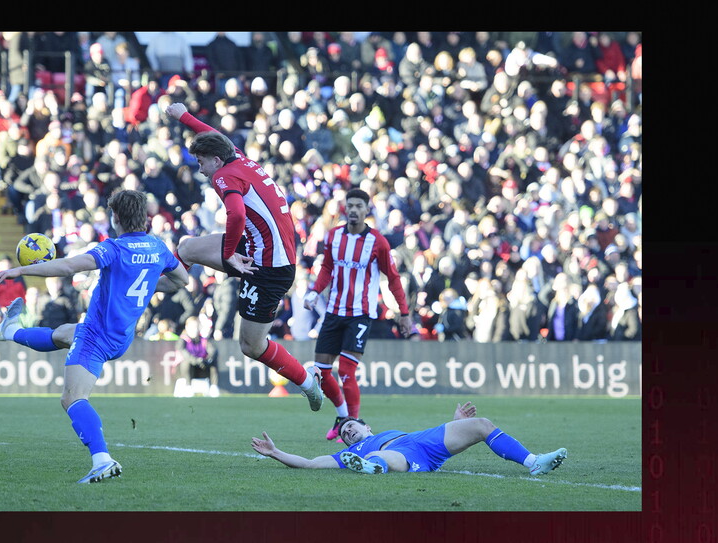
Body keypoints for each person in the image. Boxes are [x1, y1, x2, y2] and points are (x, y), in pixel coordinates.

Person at [0, 189, 190, 483]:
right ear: (144, 218)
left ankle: (102, 459)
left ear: (115, 218)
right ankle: (10, 330)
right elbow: (181, 280)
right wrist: (145, 289)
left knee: (72, 398)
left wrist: (20, 270)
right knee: (66, 333)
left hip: (97, 336)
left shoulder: (113, 249)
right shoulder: (158, 248)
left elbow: (69, 266)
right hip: (121, 336)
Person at [164, 101, 324, 412]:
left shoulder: (223, 176)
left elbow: (235, 214)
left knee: (251, 345)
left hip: (267, 267)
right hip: (260, 251)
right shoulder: (240, 160)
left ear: (215, 160)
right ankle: (161, 288)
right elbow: (215, 135)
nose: (199, 167)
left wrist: (229, 256)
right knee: (186, 248)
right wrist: (182, 117)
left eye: (200, 161)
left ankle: (306, 382)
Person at [302, 188, 413, 441]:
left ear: (366, 210)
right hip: (333, 312)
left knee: (347, 372)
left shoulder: (378, 242)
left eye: (358, 206)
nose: (353, 210)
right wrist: (314, 291)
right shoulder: (334, 236)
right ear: (345, 209)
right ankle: (342, 416)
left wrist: (405, 313)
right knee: (322, 372)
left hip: (360, 314)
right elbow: (327, 268)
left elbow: (393, 279)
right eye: (349, 205)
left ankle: (355, 424)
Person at [251, 401, 568, 477]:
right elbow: (308, 463)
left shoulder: (381, 432)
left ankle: (533, 462)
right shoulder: (354, 450)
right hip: (396, 452)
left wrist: (456, 425)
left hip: (420, 439)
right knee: (383, 458)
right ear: (346, 444)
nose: (349, 431)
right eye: (345, 434)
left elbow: (441, 434)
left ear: (367, 426)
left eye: (352, 428)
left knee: (481, 423)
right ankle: (370, 468)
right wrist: (276, 452)